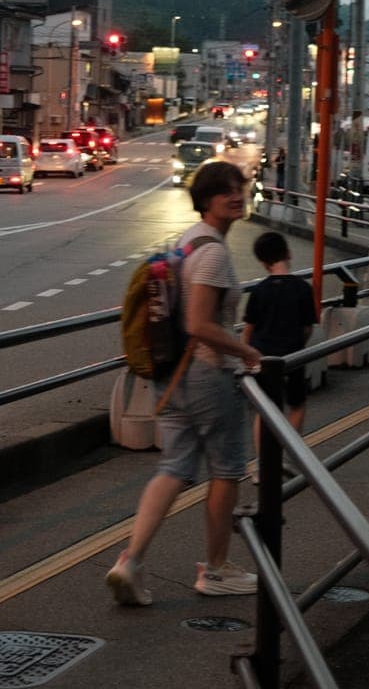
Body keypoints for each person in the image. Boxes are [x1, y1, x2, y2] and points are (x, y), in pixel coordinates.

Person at [106, 159, 261, 606]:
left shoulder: (187, 244)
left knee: (174, 468)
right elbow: (200, 324)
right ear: (206, 200)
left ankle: (131, 561)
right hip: (208, 376)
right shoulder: (212, 253)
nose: (236, 195)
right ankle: (216, 569)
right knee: (227, 471)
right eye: (224, 190)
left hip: (171, 375)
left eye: (240, 187)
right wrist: (248, 353)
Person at [242, 230, 320, 444]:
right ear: (288, 253)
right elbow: (308, 327)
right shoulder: (303, 289)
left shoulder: (259, 290)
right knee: (297, 405)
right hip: (292, 355)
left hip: (262, 357)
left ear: (263, 262)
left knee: (265, 410)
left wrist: (245, 355)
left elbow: (249, 328)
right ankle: (290, 455)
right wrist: (296, 344)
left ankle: (262, 466)